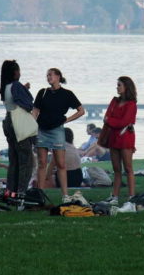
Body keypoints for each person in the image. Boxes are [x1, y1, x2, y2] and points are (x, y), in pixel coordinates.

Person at [33, 68, 85, 203]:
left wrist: (66, 120)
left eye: (50, 75)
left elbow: (81, 111)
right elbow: (35, 111)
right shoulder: (42, 92)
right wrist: (33, 126)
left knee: (61, 164)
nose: (48, 77)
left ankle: (65, 195)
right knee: (42, 163)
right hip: (42, 130)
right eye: (47, 75)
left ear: (58, 77)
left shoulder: (67, 94)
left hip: (57, 131)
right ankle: (40, 195)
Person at [0, 60, 36, 194]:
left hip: (8, 121)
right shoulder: (16, 86)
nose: (20, 73)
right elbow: (27, 105)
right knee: (26, 161)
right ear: (15, 72)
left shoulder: (5, 86)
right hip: (18, 123)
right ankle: (21, 193)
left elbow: (13, 100)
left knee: (14, 161)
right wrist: (24, 90)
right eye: (18, 70)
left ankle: (11, 192)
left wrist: (23, 89)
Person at [102, 76, 137, 207]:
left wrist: (110, 121)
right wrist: (112, 121)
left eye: (119, 85)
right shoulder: (115, 101)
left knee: (128, 168)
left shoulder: (131, 104)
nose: (117, 87)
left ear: (126, 87)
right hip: (113, 137)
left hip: (125, 138)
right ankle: (114, 196)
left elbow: (124, 122)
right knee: (116, 169)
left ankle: (131, 197)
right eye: (117, 85)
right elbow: (106, 116)